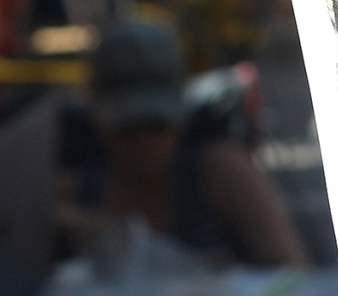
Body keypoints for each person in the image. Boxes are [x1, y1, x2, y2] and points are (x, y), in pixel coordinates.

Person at [57, 18, 309, 269]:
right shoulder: (77, 186)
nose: (144, 141)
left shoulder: (218, 170)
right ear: (96, 120)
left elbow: (293, 269)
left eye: (157, 124)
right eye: (128, 127)